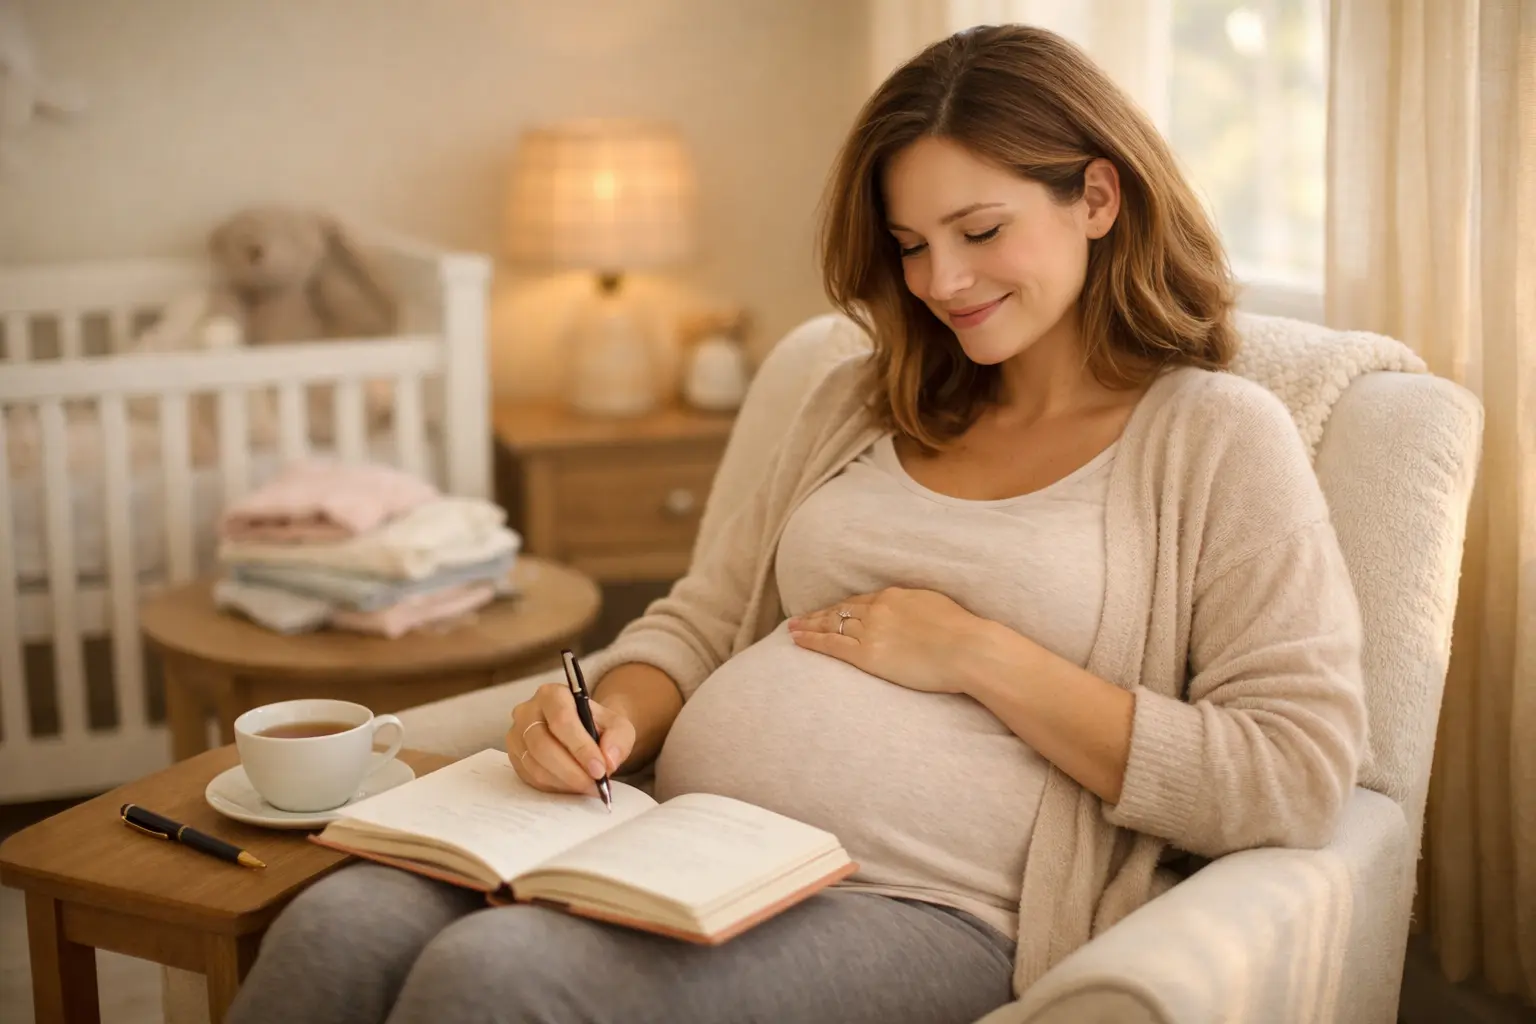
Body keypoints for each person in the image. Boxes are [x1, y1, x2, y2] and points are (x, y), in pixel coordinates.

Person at [228, 24, 1367, 1024]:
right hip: (670, 833)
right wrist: (606, 719)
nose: (942, 282)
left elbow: (1296, 771)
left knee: (504, 977)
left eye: (978, 229)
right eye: (912, 244)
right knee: (346, 920)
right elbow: (705, 616)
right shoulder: (860, 396)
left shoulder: (1217, 437)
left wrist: (975, 652)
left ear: (1099, 199)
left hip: (920, 906)